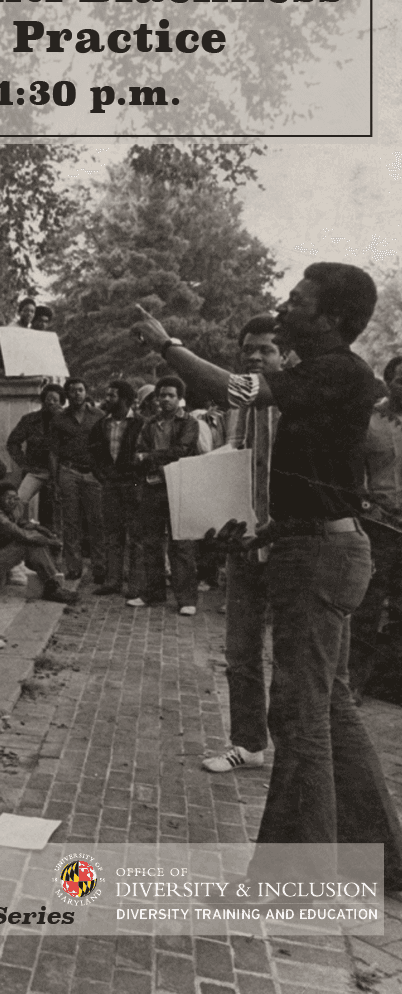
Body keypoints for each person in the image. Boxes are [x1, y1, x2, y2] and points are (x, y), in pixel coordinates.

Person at [132, 264, 402, 886]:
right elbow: (319, 487)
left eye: (299, 300)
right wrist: (265, 531)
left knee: (300, 718)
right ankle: (385, 862)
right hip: (316, 549)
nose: (284, 307)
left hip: (320, 561)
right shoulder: (327, 373)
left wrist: (166, 342)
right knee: (329, 707)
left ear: (331, 318)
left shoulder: (338, 370)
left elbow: (237, 391)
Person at [202, 315, 283, 772]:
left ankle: (298, 752)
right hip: (246, 544)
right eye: (248, 349)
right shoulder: (240, 404)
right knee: (240, 652)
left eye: (265, 349)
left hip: (291, 543)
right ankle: (248, 744)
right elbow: (234, 463)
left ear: (283, 354)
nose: (254, 356)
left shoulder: (302, 402)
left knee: (293, 659)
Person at [348, 354, 402, 703]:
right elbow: (353, 471)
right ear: (390, 380)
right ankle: (352, 681)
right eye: (400, 378)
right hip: (380, 527)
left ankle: (391, 684)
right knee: (367, 605)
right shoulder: (367, 420)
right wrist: (370, 506)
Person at [125, 375, 200, 613]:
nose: (166, 399)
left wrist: (149, 458)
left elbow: (182, 451)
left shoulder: (189, 423)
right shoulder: (149, 424)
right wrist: (147, 459)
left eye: (171, 395)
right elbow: (138, 451)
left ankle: (186, 599)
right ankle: (154, 593)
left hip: (178, 486)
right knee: (151, 541)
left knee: (181, 543)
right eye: (162, 395)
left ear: (179, 398)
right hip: (153, 486)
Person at [0, 482, 78, 603]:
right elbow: (21, 534)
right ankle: (52, 587)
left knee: (36, 539)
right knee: (29, 542)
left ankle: (53, 585)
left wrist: (45, 531)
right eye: (8, 499)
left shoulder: (10, 511)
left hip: (0, 560)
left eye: (15, 498)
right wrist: (50, 542)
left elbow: (25, 524)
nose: (13, 502)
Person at [88, 380, 142, 596]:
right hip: (110, 485)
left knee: (136, 537)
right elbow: (93, 454)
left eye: (112, 396)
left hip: (133, 485)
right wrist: (102, 476)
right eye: (107, 395)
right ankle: (113, 581)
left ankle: (136, 584)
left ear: (125, 399)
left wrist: (137, 483)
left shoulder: (141, 424)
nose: (107, 399)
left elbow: (146, 456)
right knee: (112, 534)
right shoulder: (101, 425)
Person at [51, 376, 105, 584]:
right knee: (70, 521)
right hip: (68, 471)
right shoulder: (59, 419)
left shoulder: (98, 416)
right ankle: (73, 567)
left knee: (97, 521)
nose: (77, 394)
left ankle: (100, 567)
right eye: (72, 390)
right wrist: (55, 480)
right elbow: (54, 452)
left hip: (92, 473)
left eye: (80, 390)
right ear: (67, 394)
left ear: (86, 392)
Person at [6, 382, 65, 530]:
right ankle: (9, 531)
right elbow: (13, 442)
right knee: (18, 501)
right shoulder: (29, 419)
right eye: (48, 398)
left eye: (55, 400)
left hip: (59, 473)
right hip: (36, 470)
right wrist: (24, 464)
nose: (50, 402)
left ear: (61, 403)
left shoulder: (66, 421)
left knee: (55, 508)